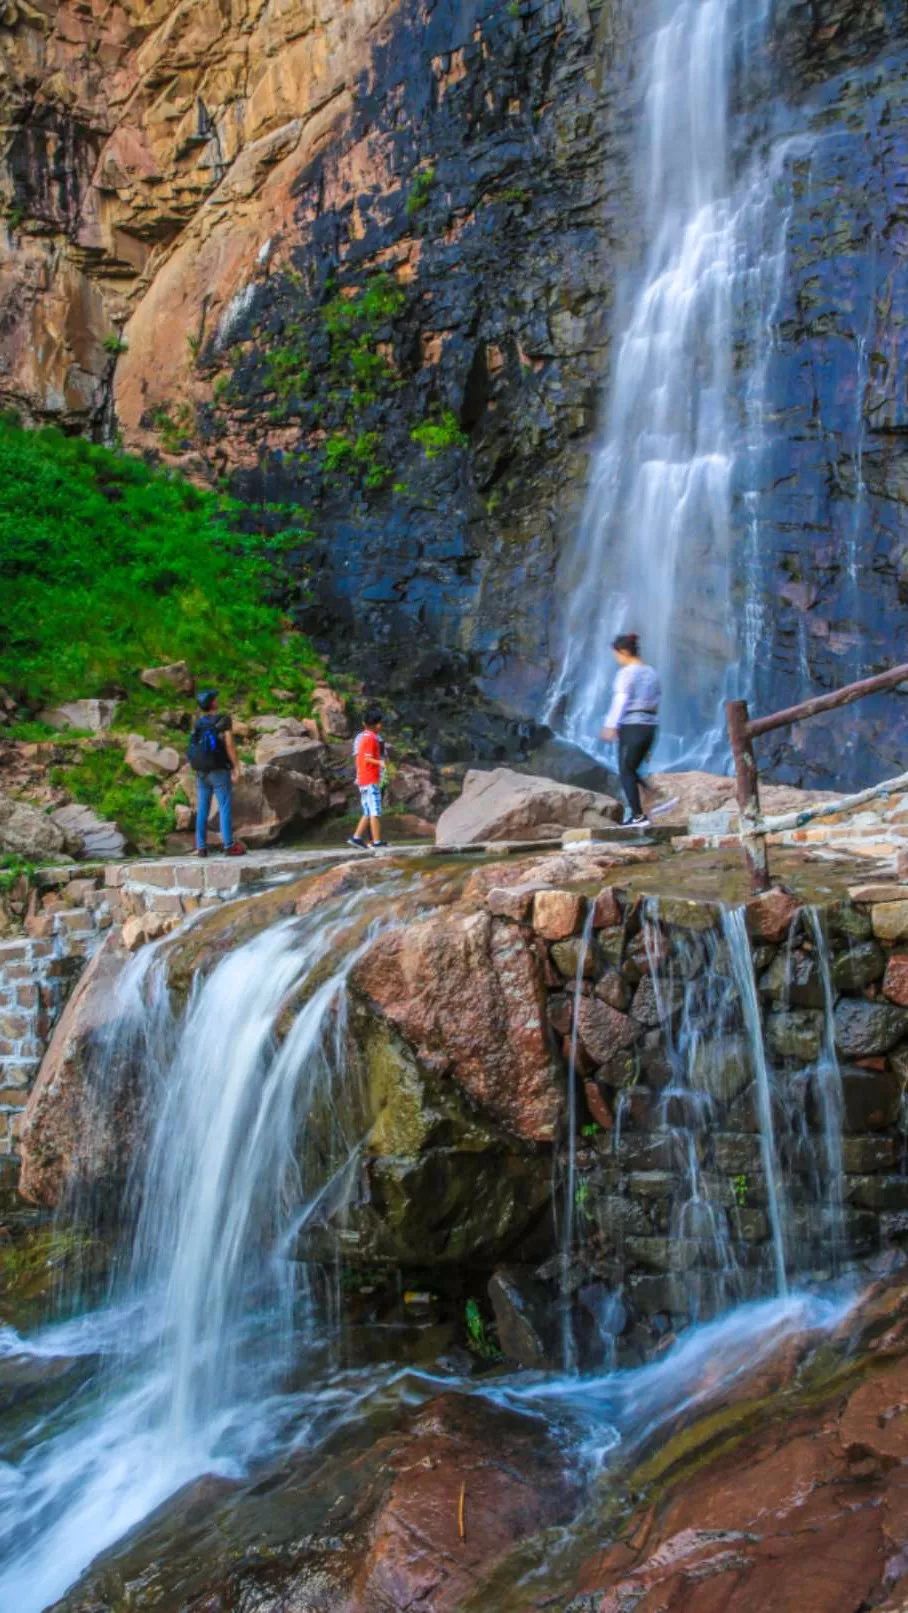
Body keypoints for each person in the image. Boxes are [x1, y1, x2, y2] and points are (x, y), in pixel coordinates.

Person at [600, 633, 661, 827]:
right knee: (632, 767)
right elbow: (656, 701)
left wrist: (611, 725)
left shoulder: (626, 674)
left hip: (632, 726)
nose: (616, 659)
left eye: (617, 654)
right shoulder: (652, 672)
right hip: (650, 726)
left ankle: (638, 816)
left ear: (624, 652)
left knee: (625, 771)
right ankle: (654, 794)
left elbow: (620, 700)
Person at [187, 689, 247, 858]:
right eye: (215, 698)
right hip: (219, 770)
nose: (217, 700)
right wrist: (236, 768)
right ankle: (229, 846)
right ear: (212, 703)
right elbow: (229, 746)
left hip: (201, 771)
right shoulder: (224, 719)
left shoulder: (198, 723)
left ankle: (201, 847)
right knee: (224, 807)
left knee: (203, 809)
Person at [348, 705, 389, 851]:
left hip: (363, 780)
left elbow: (359, 758)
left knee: (367, 811)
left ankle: (356, 838)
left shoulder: (363, 737)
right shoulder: (372, 738)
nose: (381, 725)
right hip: (371, 780)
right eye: (380, 723)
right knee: (375, 811)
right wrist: (380, 762)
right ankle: (376, 841)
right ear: (377, 724)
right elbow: (367, 758)